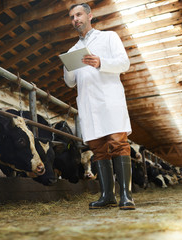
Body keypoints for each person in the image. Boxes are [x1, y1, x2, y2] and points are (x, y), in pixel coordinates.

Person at [63, 3, 135, 210]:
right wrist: (66, 65)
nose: (75, 19)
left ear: (89, 15)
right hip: (88, 104)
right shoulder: (72, 50)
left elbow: (124, 63)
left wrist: (101, 62)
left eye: (78, 14)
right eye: (71, 17)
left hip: (109, 100)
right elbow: (70, 82)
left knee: (118, 143)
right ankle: (107, 195)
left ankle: (126, 196)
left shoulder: (109, 37)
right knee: (98, 150)